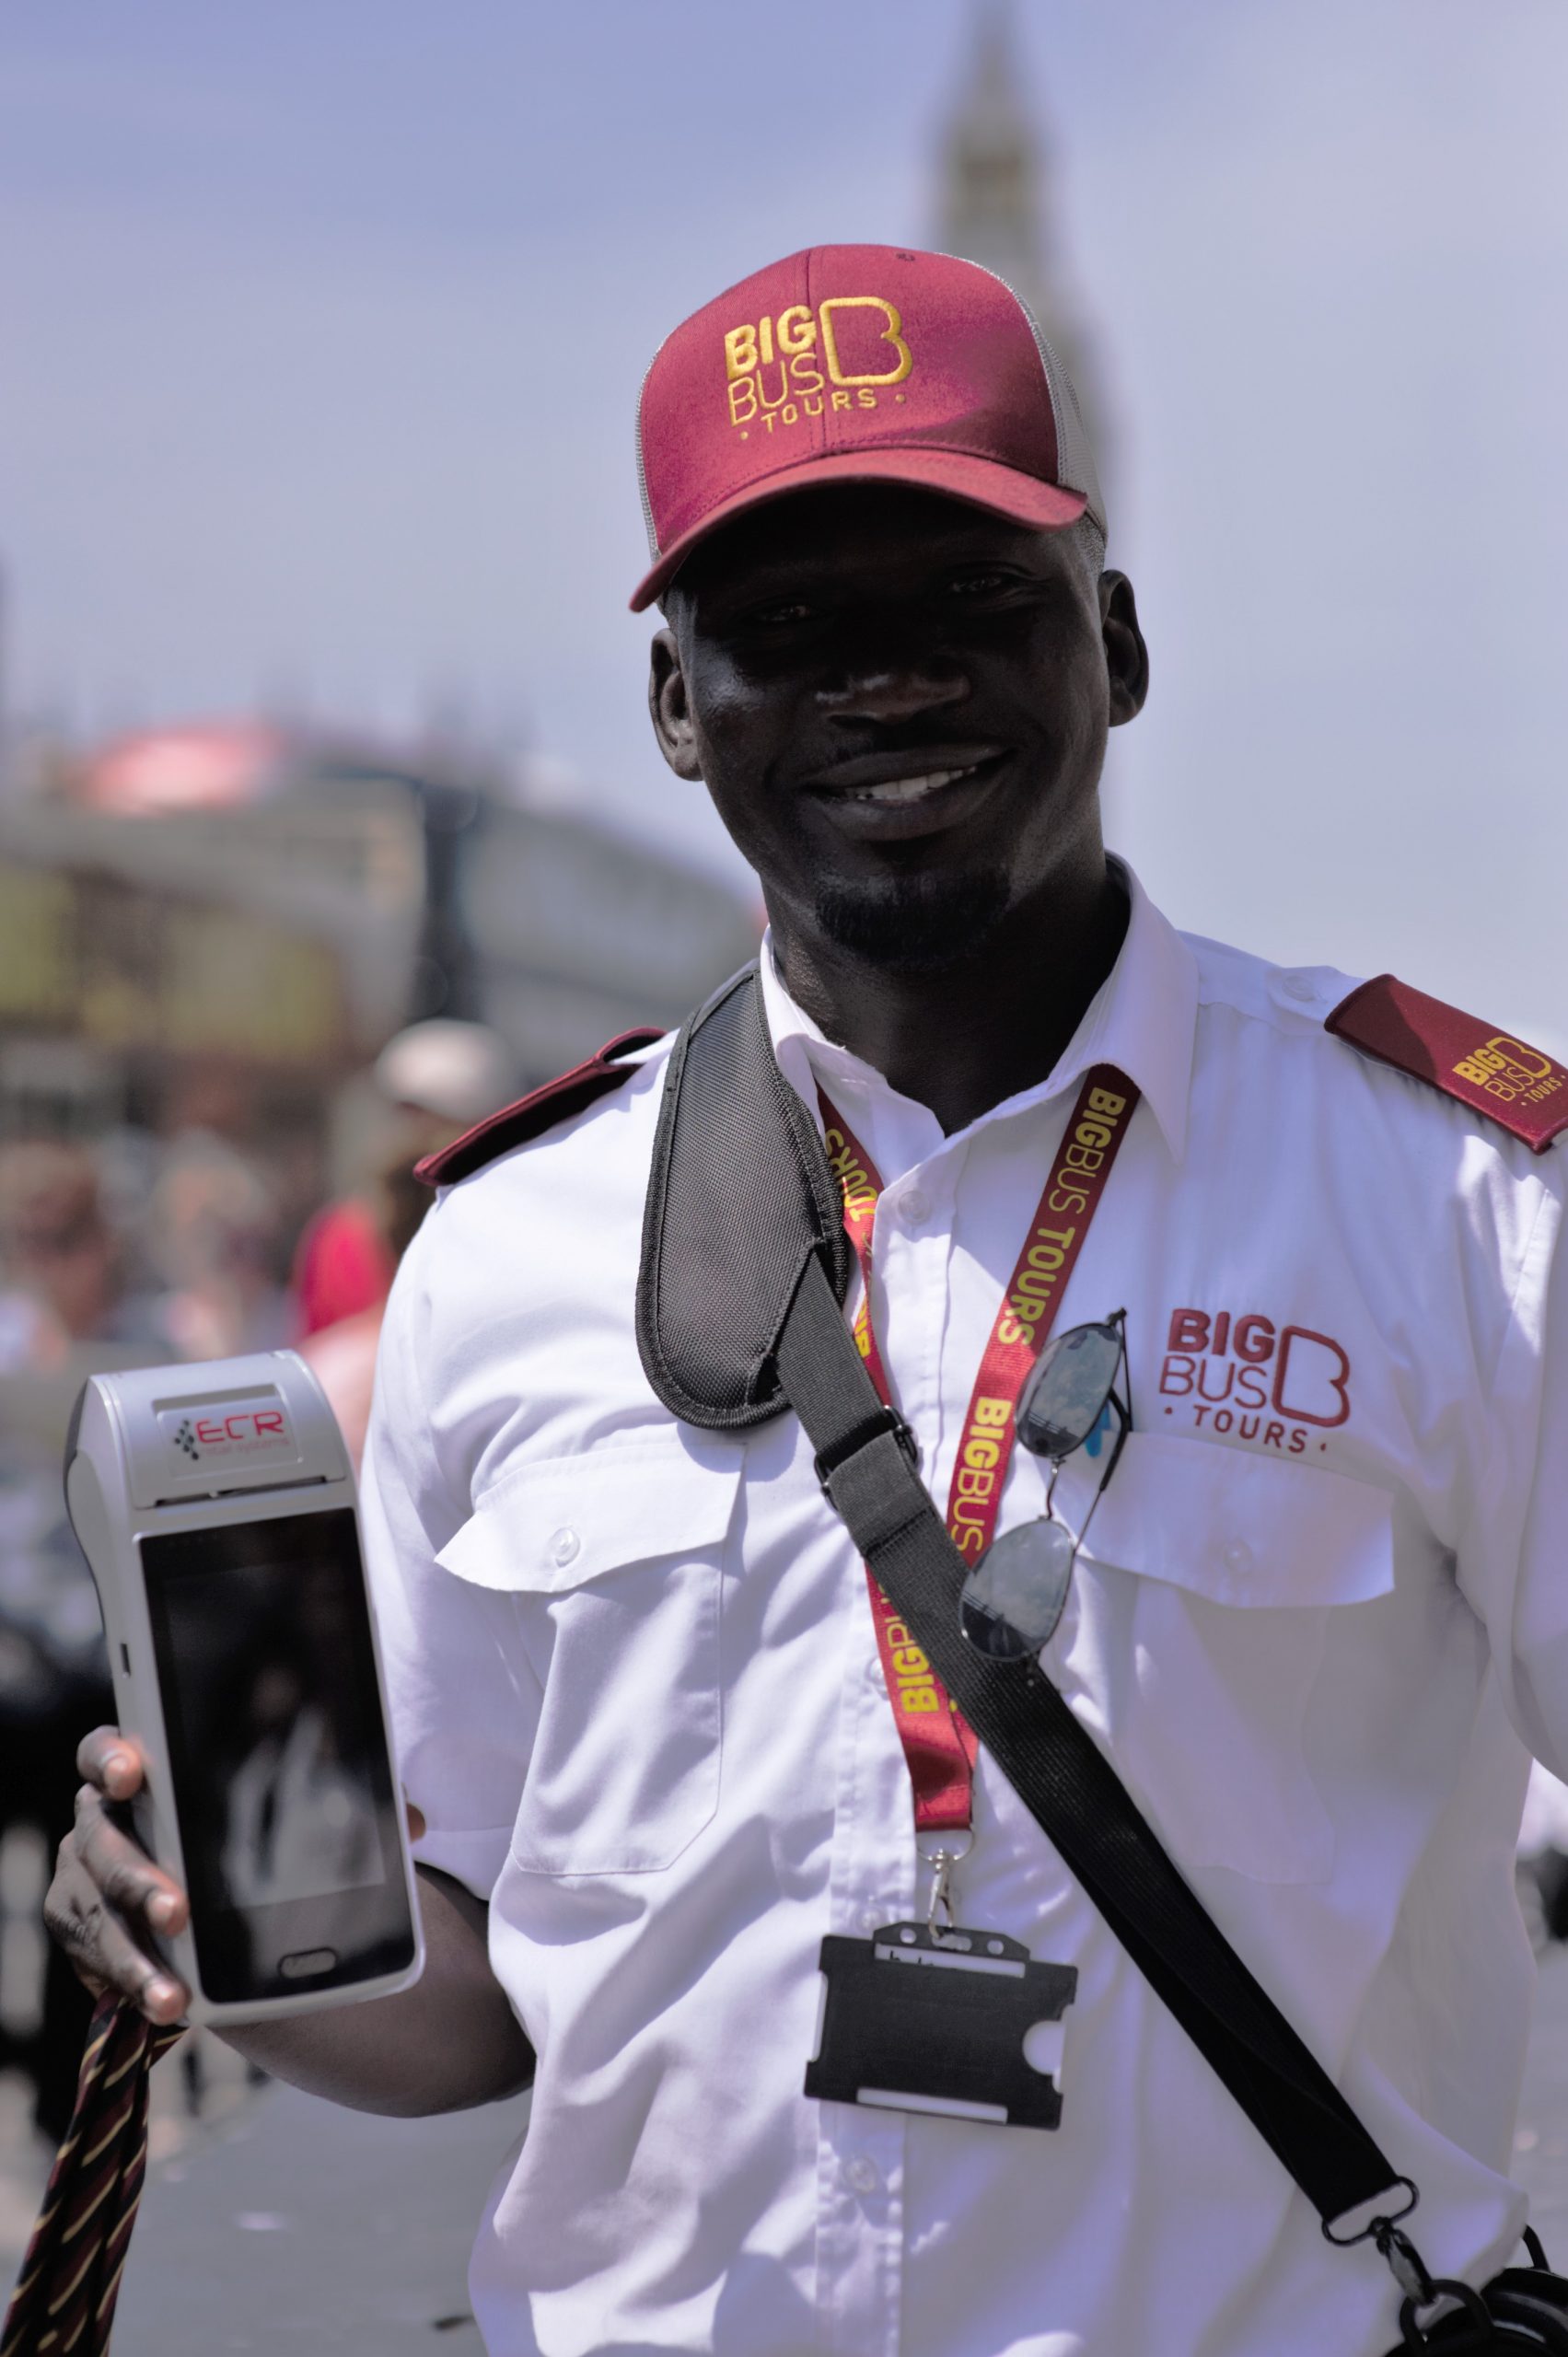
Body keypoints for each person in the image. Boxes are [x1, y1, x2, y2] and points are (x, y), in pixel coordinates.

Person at [45, 245, 1568, 2357]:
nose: (885, 686)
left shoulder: (1457, 1200)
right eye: (789, 632)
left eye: (966, 607)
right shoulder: (502, 1258)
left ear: (1113, 642)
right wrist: (232, 1942)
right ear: (680, 707)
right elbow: (474, 1991)